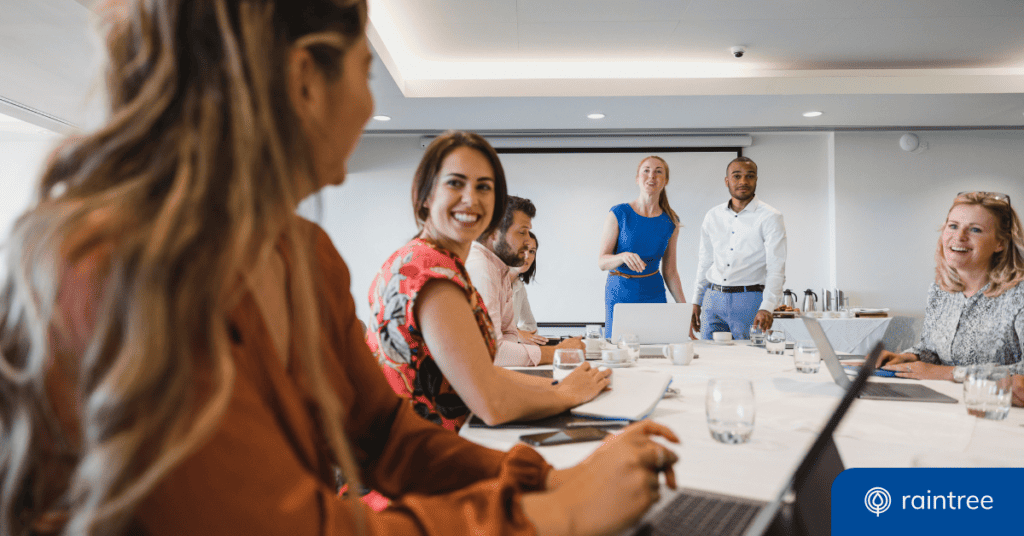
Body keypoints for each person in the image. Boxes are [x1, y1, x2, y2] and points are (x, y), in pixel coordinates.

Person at [0, 2, 680, 535]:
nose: (365, 101)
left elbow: (384, 435)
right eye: (361, 73)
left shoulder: (302, 255)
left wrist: (542, 481)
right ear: (303, 81)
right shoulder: (113, 267)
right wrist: (550, 516)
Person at [367, 132, 609, 430]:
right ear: (425, 195)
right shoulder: (433, 274)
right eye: (455, 183)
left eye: (484, 187)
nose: (471, 199)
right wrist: (566, 394)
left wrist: (559, 386)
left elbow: (480, 372)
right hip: (423, 456)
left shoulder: (418, 257)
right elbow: (490, 403)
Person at [878, 192, 1024, 381]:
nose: (959, 236)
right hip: (942, 400)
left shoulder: (1018, 294)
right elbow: (930, 350)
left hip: (996, 406)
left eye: (975, 230)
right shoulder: (940, 291)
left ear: (1000, 243)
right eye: (953, 226)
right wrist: (906, 357)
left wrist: (950, 373)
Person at [466, 196, 585, 366]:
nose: (528, 240)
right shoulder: (480, 269)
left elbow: (509, 333)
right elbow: (493, 351)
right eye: (522, 232)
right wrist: (558, 353)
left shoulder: (500, 269)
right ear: (493, 232)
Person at [689, 156, 786, 340]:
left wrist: (767, 307)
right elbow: (705, 261)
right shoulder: (713, 215)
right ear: (727, 181)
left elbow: (776, 266)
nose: (743, 181)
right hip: (712, 298)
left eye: (750, 176)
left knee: (748, 360)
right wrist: (696, 300)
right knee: (710, 359)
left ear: (756, 179)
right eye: (737, 176)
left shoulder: (770, 217)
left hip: (749, 299)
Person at [598, 156, 686, 338]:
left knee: (655, 346)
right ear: (637, 178)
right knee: (618, 349)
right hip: (620, 291)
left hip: (653, 292)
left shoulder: (671, 222)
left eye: (658, 171)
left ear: (665, 181)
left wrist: (685, 311)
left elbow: (670, 271)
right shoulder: (619, 213)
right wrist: (622, 256)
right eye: (646, 170)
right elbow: (602, 261)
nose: (651, 175)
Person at [512, 231, 545, 345]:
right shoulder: (493, 279)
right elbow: (489, 328)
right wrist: (516, 333)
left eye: (532, 251)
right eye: (523, 249)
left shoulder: (519, 286)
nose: (527, 256)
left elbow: (530, 325)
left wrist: (519, 334)